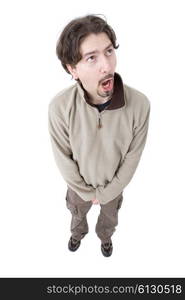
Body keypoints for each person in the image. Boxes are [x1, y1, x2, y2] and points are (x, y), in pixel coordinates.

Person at [48, 14, 150, 257]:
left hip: (113, 188)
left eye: (109, 52)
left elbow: (132, 159)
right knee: (76, 213)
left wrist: (106, 193)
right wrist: (86, 192)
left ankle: (105, 239)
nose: (107, 65)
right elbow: (63, 159)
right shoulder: (60, 107)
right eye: (91, 58)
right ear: (73, 69)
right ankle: (77, 235)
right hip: (78, 188)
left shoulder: (140, 105)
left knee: (109, 220)